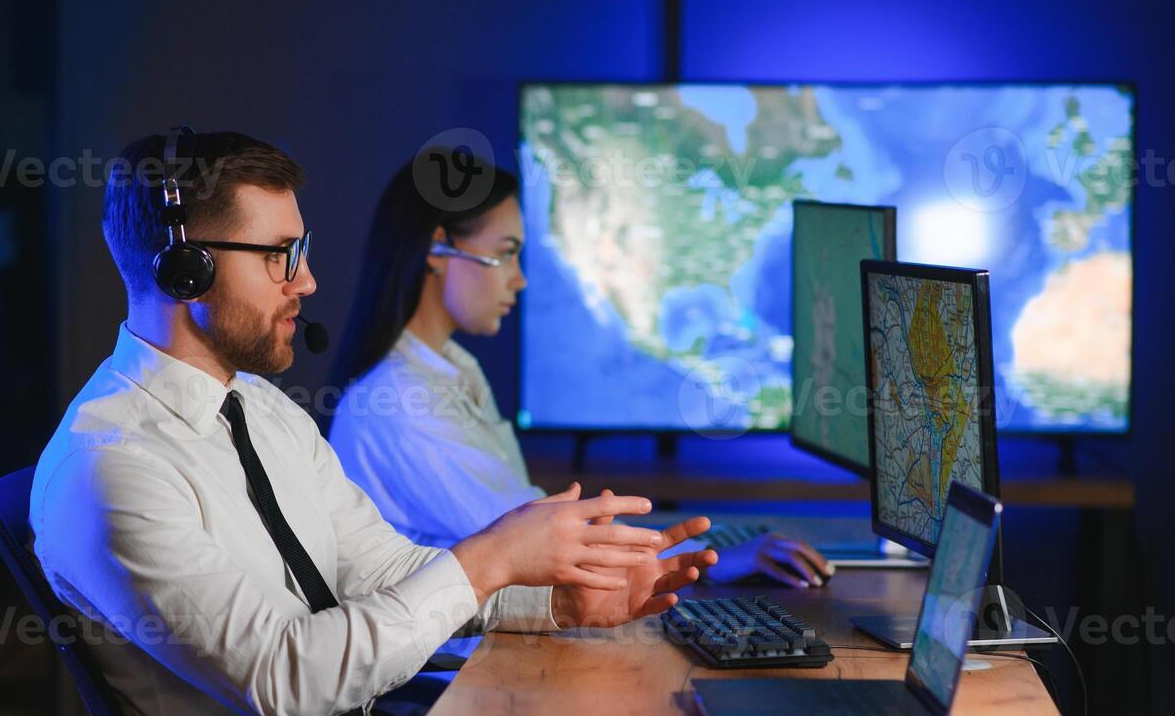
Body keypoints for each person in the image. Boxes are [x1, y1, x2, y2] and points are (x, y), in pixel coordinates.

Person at [29, 128, 717, 716]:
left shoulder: (259, 409)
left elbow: (383, 569)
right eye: (278, 254)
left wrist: (554, 602)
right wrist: (489, 559)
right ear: (184, 268)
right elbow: (290, 681)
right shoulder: (113, 466)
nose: (308, 280)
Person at [329, 153, 834, 589]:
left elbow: (526, 527)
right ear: (439, 249)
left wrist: (703, 545)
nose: (520, 279)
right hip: (460, 668)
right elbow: (534, 543)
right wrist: (706, 559)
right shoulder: (402, 402)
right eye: (505, 254)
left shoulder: (451, 369)